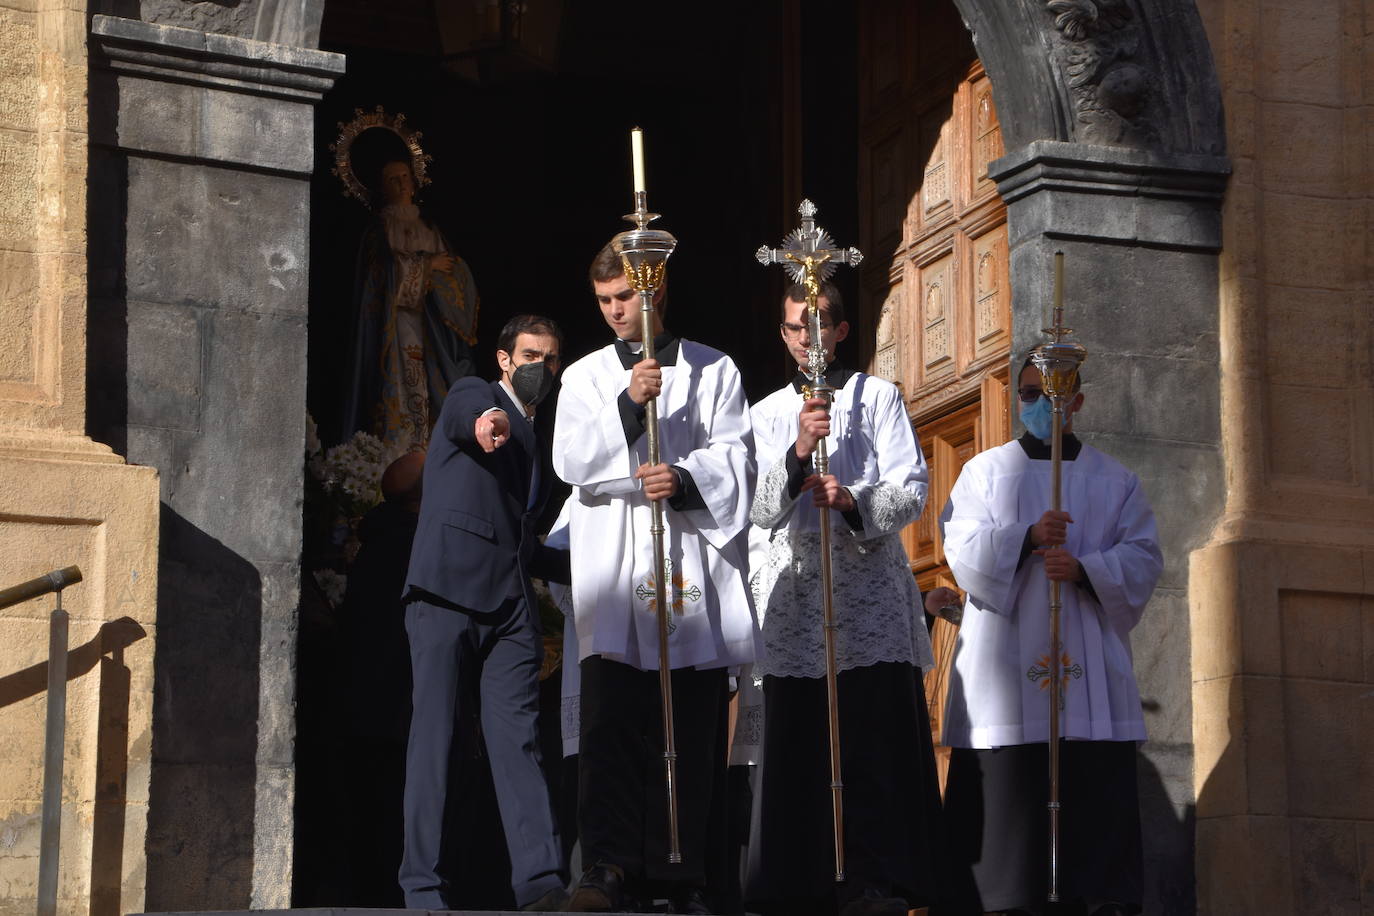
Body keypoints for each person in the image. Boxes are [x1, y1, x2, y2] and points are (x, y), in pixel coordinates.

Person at [552, 242, 757, 914]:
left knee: (689, 721)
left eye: (625, 298)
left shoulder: (713, 368)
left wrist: (688, 475)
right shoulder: (583, 376)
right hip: (616, 557)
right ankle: (606, 866)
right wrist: (624, 403)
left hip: (684, 558)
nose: (616, 312)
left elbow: (736, 456)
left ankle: (682, 868)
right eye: (605, 302)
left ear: (654, 290)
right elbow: (570, 461)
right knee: (612, 717)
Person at [745, 282, 945, 916]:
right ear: (784, 336)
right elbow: (755, 508)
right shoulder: (764, 413)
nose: (811, 336)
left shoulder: (879, 396)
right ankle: (798, 882)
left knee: (871, 740)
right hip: (797, 598)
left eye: (822, 322)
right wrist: (800, 451)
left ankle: (874, 878)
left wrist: (853, 498)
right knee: (798, 743)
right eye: (798, 327)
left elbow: (911, 486)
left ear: (842, 329)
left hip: (867, 597)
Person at [938, 357, 1163, 916]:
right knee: (1007, 850)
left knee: (1090, 826)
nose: (1042, 405)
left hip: (1086, 671)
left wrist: (1087, 570)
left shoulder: (1116, 480)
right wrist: (1026, 537)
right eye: (1031, 393)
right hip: (1005, 670)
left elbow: (1143, 556)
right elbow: (961, 545)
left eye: (1056, 394)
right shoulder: (985, 472)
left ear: (1079, 402)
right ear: (1017, 399)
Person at [398, 314, 570, 912]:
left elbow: (523, 540)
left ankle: (541, 883)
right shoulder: (476, 392)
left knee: (519, 742)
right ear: (503, 359)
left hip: (511, 607)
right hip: (447, 593)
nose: (538, 369)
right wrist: (484, 421)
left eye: (549, 360)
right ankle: (422, 888)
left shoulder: (542, 453)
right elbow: (466, 416)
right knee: (436, 738)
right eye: (528, 356)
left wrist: (598, 566)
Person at [344, 157, 479, 455]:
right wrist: (426, 265)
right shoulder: (379, 230)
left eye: (405, 176)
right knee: (403, 392)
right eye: (393, 178)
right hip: (395, 325)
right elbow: (379, 275)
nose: (402, 183)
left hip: (431, 326)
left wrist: (443, 274)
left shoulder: (430, 228)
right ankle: (400, 457)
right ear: (382, 188)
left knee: (435, 388)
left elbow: (454, 272)